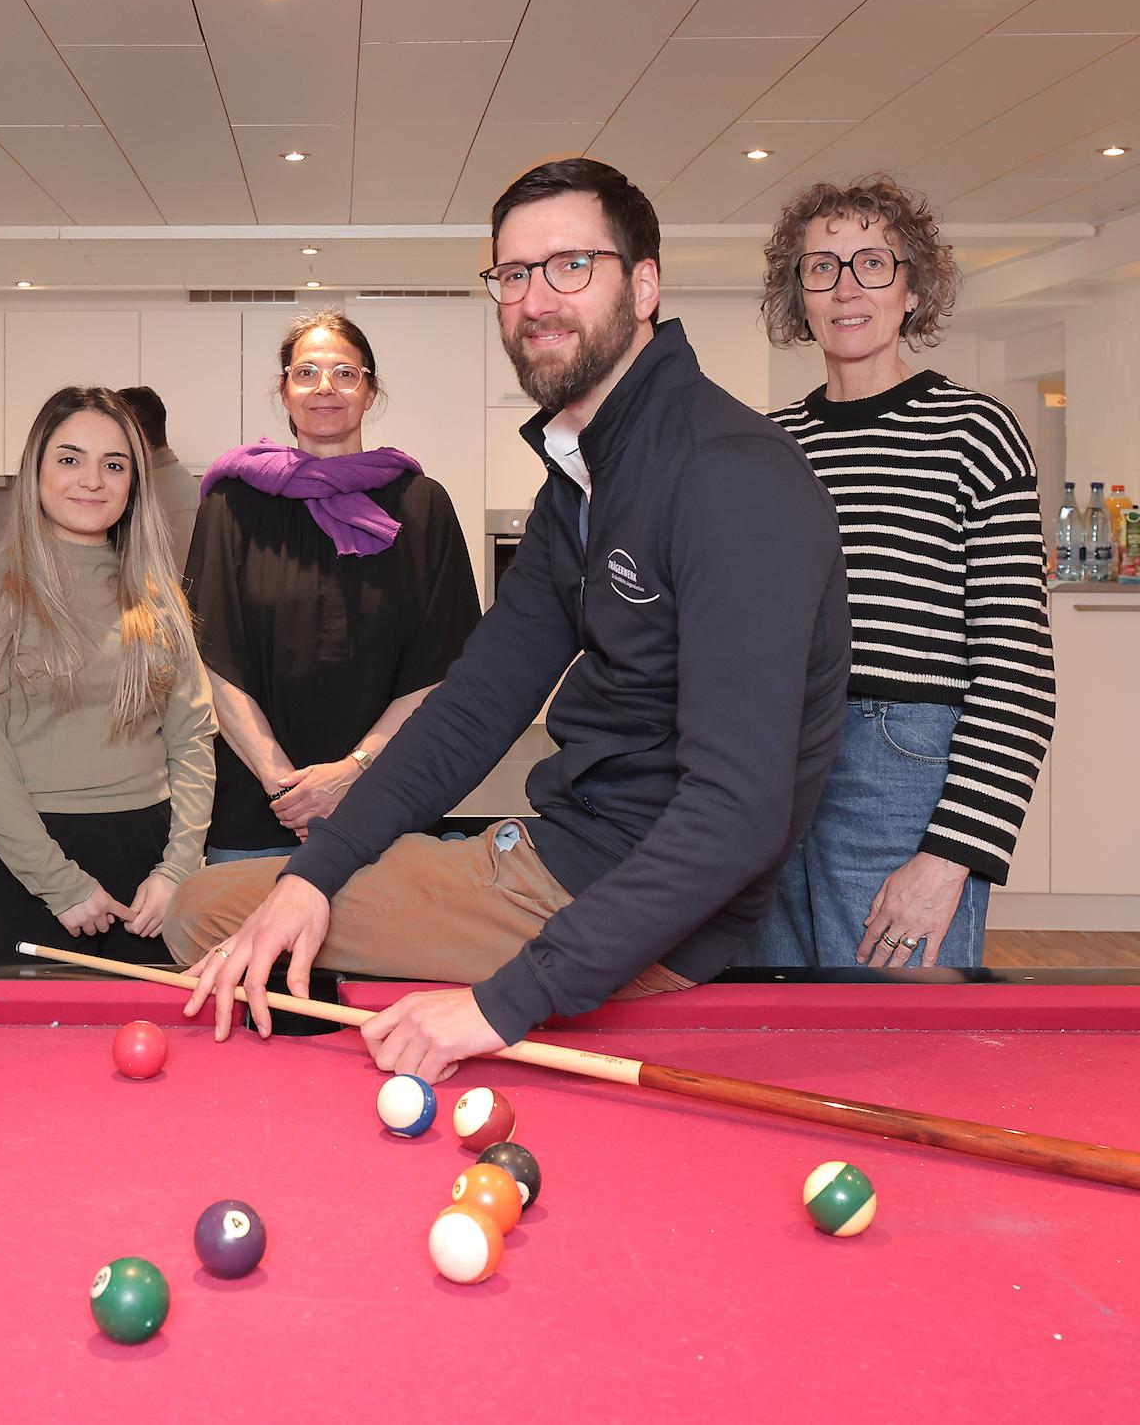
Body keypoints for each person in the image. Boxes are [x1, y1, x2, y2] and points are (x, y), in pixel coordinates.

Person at [166, 158, 851, 1080]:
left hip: (623, 899)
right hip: (564, 852)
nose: (536, 300)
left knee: (201, 910)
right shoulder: (583, 478)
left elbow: (737, 814)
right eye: (513, 276)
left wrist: (500, 1004)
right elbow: (474, 706)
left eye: (571, 266)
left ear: (643, 284)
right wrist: (316, 870)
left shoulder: (727, 474)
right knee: (267, 900)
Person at [737, 176, 1055, 970]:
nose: (847, 288)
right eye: (822, 268)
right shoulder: (768, 447)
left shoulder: (975, 431)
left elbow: (1018, 670)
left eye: (872, 264)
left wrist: (950, 857)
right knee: (770, 1036)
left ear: (912, 288)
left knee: (893, 1042)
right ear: (798, 295)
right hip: (774, 772)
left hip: (903, 779)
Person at [185, 310, 480, 864]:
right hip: (257, 809)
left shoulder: (422, 506)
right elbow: (208, 657)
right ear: (285, 390)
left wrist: (355, 772)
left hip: (385, 803)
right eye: (307, 373)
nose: (326, 387)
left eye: (345, 373)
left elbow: (445, 662)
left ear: (370, 391)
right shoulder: (232, 507)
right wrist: (283, 785)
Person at [0, 386, 216, 966]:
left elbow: (192, 737)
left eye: (113, 464)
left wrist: (178, 869)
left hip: (150, 873)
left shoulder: (158, 592)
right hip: (29, 864)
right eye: (70, 459)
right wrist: (59, 882)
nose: (92, 480)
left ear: (133, 481)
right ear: (37, 470)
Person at [116, 385, 200, 570]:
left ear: (136, 432)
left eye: (115, 432)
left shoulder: (158, 496)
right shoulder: (180, 483)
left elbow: (177, 586)